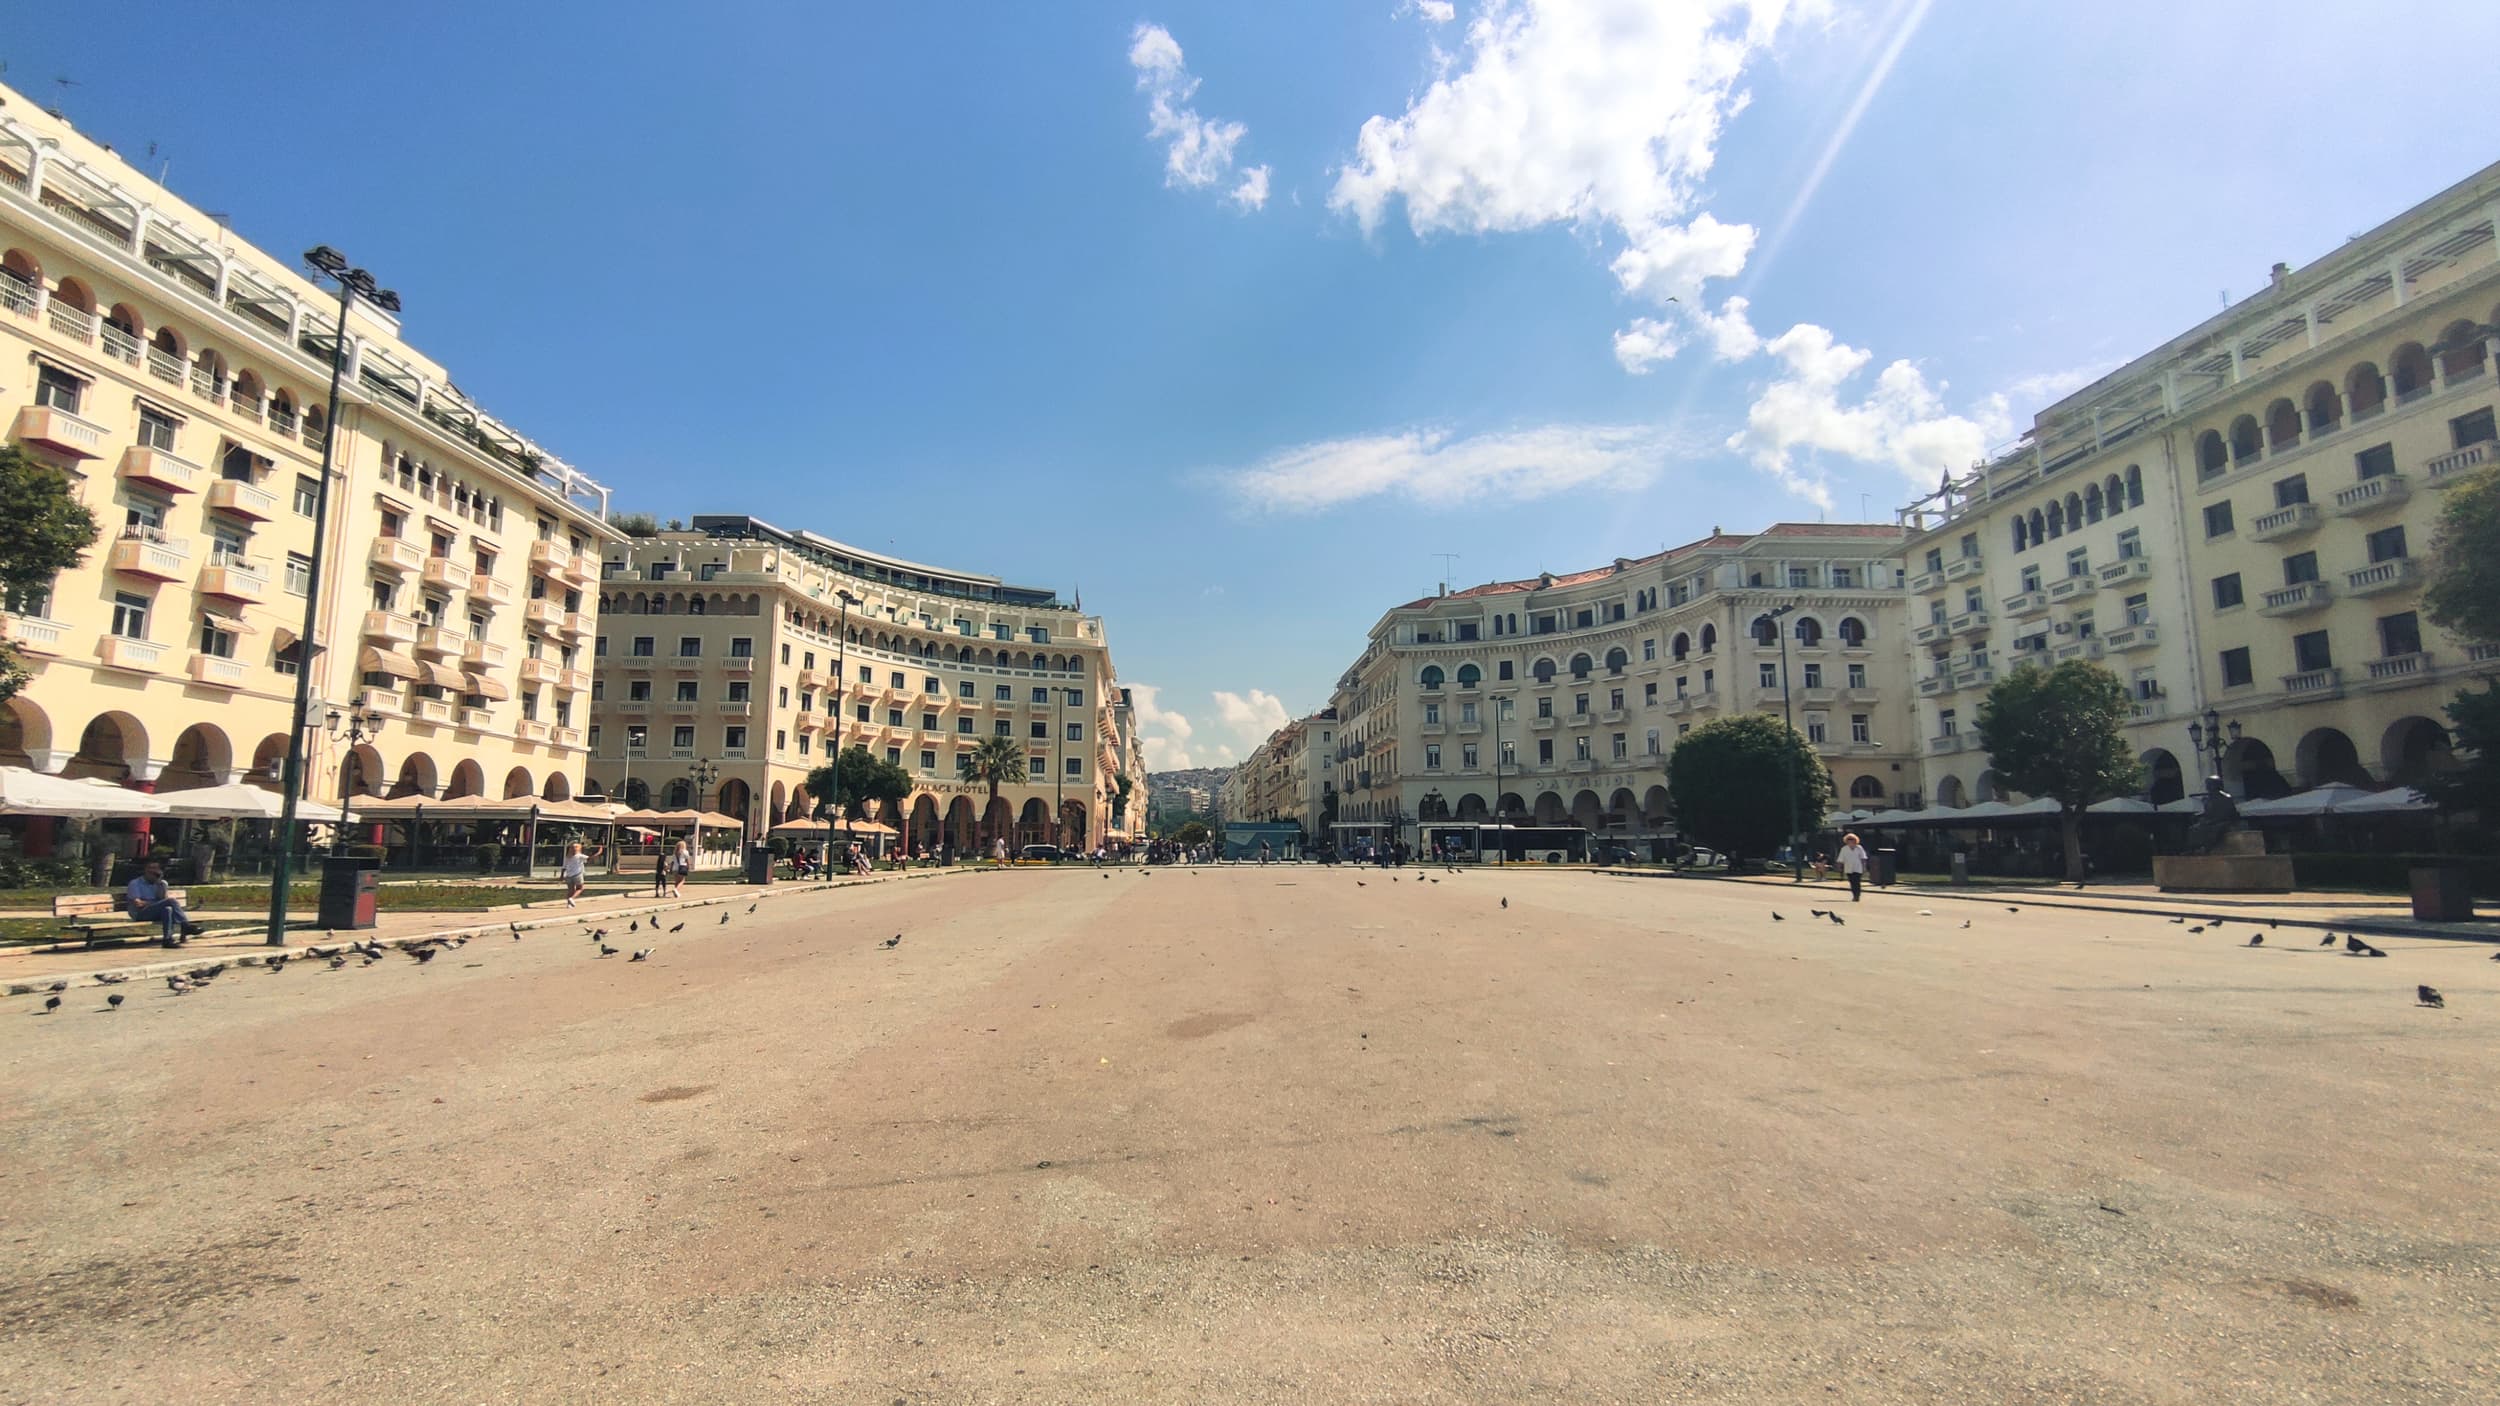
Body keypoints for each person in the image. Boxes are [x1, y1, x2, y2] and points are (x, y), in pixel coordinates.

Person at [126, 858, 203, 944]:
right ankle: (185, 926)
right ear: (145, 870)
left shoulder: (162, 883)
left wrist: (159, 884)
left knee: (167, 909)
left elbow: (163, 900)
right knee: (171, 901)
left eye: (155, 868)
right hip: (140, 913)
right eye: (150, 868)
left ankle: (167, 939)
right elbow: (138, 904)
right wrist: (155, 903)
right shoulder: (135, 883)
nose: (152, 871)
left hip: (156, 912)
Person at [559, 840, 603, 906]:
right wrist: (599, 852)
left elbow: (564, 867)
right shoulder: (579, 856)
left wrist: (562, 876)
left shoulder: (567, 857)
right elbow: (591, 858)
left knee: (571, 890)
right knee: (580, 888)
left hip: (568, 876)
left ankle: (569, 904)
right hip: (577, 875)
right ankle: (571, 899)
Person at [1837, 832, 1870, 902]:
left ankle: (1857, 896)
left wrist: (1864, 867)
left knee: (1857, 881)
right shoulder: (1844, 849)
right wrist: (1840, 867)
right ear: (1846, 841)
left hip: (1858, 867)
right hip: (1849, 868)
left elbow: (1863, 858)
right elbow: (1841, 859)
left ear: (1855, 840)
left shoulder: (1859, 848)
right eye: (1849, 839)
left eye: (1852, 839)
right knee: (1852, 882)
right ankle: (1854, 895)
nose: (1851, 841)